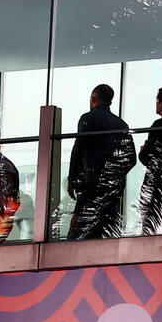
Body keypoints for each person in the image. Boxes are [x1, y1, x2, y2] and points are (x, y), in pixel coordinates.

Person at [67, 84, 135, 240]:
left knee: (75, 241)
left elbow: (78, 150)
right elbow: (131, 159)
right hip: (112, 197)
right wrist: (114, 175)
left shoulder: (88, 119)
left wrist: (72, 180)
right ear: (110, 102)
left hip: (91, 192)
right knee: (105, 242)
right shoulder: (122, 125)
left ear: (93, 99)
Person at [138, 86, 162, 235]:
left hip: (156, 184)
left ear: (161, 103)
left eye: (157, 101)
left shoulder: (159, 125)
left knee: (150, 226)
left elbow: (150, 157)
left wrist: (143, 151)